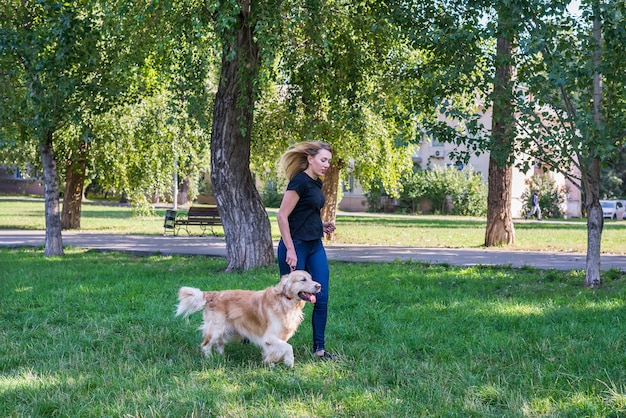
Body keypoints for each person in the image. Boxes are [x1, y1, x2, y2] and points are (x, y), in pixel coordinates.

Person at [276, 141, 337, 360]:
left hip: (314, 245)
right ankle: (266, 336)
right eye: (323, 160)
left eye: (328, 161)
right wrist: (290, 250)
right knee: (287, 297)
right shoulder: (299, 182)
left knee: (322, 296)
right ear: (310, 159)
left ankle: (319, 350)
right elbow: (282, 216)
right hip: (296, 246)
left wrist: (320, 226)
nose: (326, 164)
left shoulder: (316, 183)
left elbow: (304, 214)